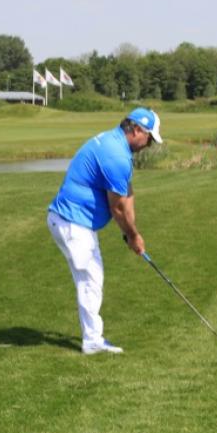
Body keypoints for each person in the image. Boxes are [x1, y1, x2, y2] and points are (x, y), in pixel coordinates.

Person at [47, 108, 163, 355]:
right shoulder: (116, 155)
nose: (149, 145)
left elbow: (127, 195)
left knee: (93, 278)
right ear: (137, 130)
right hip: (71, 222)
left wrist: (133, 234)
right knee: (90, 279)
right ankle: (92, 341)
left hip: (75, 221)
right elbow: (117, 208)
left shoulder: (116, 145)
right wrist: (132, 235)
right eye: (149, 138)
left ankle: (93, 338)